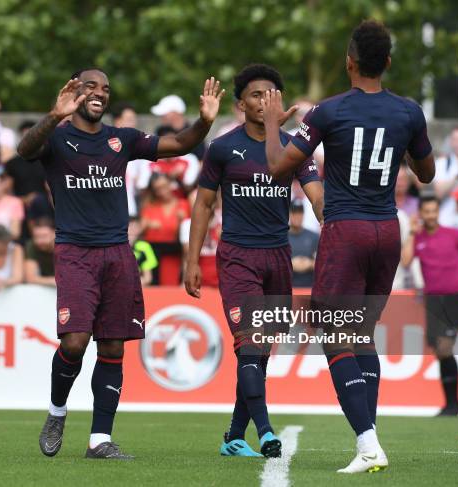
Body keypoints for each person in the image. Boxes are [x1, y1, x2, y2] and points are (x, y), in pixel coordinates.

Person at [17, 67, 224, 459]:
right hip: (75, 251)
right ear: (74, 91)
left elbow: (178, 143)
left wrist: (204, 121)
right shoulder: (57, 137)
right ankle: (57, 412)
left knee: (112, 346)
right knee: (75, 341)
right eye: (91, 86)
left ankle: (100, 440)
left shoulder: (121, 139)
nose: (100, 93)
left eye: (106, 88)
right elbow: (25, 150)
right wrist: (54, 115)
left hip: (117, 252)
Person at [262, 20, 435, 473]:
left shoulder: (328, 111)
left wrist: (270, 126)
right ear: (389, 63)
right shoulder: (409, 112)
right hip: (387, 231)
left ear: (349, 62)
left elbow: (280, 168)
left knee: (335, 334)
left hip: (347, 230)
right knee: (361, 335)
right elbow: (428, 174)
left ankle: (368, 443)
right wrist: (406, 147)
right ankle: (369, 441)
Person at [185, 64, 323, 458]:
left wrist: (330, 221)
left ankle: (233, 436)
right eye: (256, 95)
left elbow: (315, 194)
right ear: (240, 103)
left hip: (278, 257)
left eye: (271, 94)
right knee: (251, 341)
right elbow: (204, 205)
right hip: (237, 256)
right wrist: (192, 260)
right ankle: (265, 432)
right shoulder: (224, 148)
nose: (264, 101)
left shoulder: (296, 147)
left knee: (259, 352)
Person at [401, 196, 458, 416]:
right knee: (439, 351)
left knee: (445, 347)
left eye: (434, 211)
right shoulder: (418, 238)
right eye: (426, 211)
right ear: (421, 214)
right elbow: (406, 261)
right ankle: (450, 403)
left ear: (439, 212)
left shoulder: (455, 235)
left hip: (455, 298)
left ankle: (453, 405)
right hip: (433, 301)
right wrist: (411, 232)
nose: (431, 215)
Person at [140, 173, 190, 285]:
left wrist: (181, 221)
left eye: (165, 186)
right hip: (153, 251)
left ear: (170, 185)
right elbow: (140, 230)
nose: (163, 191)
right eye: (158, 189)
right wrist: (147, 225)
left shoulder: (182, 204)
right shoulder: (150, 207)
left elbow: (186, 232)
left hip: (176, 249)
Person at [5, 121, 51, 221]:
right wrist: (21, 200)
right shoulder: (11, 163)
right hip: (18, 203)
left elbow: (50, 187)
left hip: (44, 203)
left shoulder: (48, 160)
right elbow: (7, 189)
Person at [151, 94, 206, 160]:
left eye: (164, 113)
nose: (162, 116)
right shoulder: (160, 131)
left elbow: (201, 161)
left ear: (175, 113)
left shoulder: (195, 134)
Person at [289, 199, 319, 288]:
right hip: (288, 288)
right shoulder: (282, 237)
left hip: (309, 287)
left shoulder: (314, 237)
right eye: (294, 213)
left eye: (300, 213)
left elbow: (323, 263)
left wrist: (309, 264)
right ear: (289, 214)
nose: (297, 216)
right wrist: (290, 264)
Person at [24, 218, 56, 286]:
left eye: (44, 236)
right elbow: (30, 278)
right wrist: (54, 281)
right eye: (36, 237)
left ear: (55, 233)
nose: (40, 241)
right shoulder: (32, 245)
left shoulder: (64, 247)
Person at [128, 218, 157, 286]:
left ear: (139, 230)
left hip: (138, 286)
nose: (132, 230)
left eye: (135, 227)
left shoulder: (144, 247)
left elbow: (148, 278)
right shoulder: (116, 246)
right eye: (129, 227)